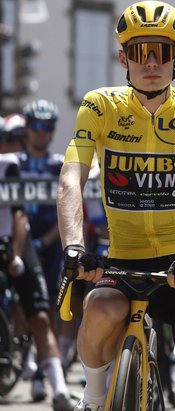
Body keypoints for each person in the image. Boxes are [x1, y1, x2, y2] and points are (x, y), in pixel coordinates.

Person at [56, 0, 175, 411]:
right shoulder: (100, 105)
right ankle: (95, 398)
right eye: (138, 52)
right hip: (124, 262)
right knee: (98, 307)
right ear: (122, 58)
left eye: (162, 51)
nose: (150, 61)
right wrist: (74, 247)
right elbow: (70, 178)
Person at [0, 120, 77, 410]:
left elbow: (20, 216)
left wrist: (18, 256)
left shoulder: (9, 165)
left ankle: (58, 389)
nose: (14, 142)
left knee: (41, 316)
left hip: (15, 242)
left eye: (16, 137)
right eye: (9, 137)